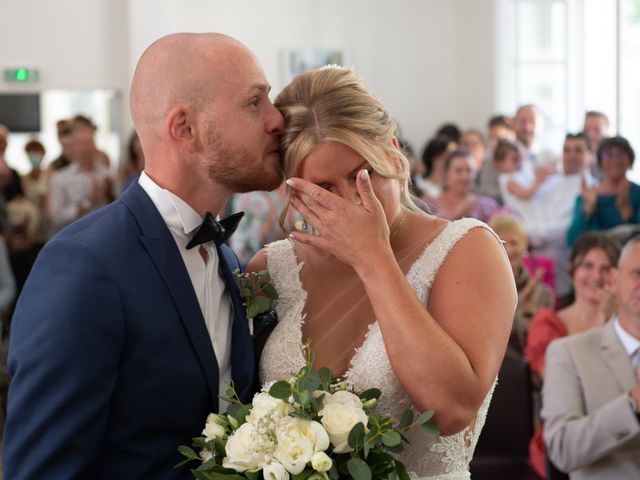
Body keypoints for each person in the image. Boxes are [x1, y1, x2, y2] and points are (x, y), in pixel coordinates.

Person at [4, 32, 283, 479]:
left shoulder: (227, 260)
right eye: (255, 102)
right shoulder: (85, 264)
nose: (277, 120)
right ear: (184, 128)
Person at [249, 66, 516, 479]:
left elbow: (450, 410)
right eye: (324, 188)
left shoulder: (468, 250)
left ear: (392, 151)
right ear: (295, 191)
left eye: (363, 174)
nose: (355, 200)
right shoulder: (271, 270)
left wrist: (372, 258)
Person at [542, 236, 640, 479]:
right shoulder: (568, 352)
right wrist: (633, 403)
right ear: (615, 280)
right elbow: (562, 449)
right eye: (638, 273)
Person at [525, 233, 620, 479]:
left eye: (605, 268)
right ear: (573, 269)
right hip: (567, 438)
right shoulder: (548, 324)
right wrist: (602, 322)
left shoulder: (628, 326)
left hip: (621, 431)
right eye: (588, 266)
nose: (596, 277)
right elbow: (558, 383)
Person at [488, 213, 555, 355]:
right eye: (501, 243)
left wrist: (521, 308)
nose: (508, 250)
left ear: (524, 246)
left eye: (513, 242)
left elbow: (537, 342)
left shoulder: (543, 294)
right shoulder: (480, 288)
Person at [567, 135, 640, 246]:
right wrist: (588, 210)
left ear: (630, 159)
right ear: (600, 162)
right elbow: (572, 241)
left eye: (620, 154)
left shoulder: (637, 194)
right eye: (607, 155)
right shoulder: (586, 196)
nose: (614, 160)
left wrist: (626, 214)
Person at [429, 149, 502, 222]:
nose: (464, 176)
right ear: (446, 173)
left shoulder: (486, 206)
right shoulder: (429, 206)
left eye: (469, 170)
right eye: (458, 171)